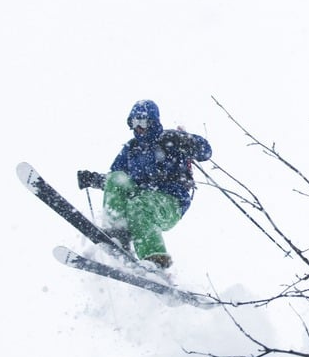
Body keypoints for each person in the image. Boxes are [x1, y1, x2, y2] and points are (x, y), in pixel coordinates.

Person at [77, 100, 212, 269]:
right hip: (141, 196)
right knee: (116, 179)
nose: (138, 127)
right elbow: (116, 180)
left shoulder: (169, 141)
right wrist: (93, 179)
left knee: (139, 206)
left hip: (171, 202)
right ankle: (117, 234)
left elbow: (206, 151)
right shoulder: (132, 148)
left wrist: (187, 140)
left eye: (142, 122)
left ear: (153, 122)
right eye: (134, 122)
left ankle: (155, 259)